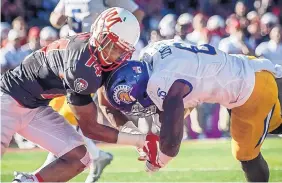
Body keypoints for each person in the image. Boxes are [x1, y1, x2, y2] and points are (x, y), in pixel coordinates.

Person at [1, 7, 156, 182]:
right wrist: (138, 140)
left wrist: (137, 136)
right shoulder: (81, 64)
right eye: (113, 47)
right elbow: (90, 128)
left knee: (80, 158)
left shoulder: (100, 55)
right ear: (100, 35)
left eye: (121, 51)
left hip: (35, 108)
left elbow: (107, 107)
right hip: (7, 100)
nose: (116, 56)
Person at [105, 40, 282, 181]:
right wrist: (154, 139)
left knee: (246, 157)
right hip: (248, 67)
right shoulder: (151, 55)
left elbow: (172, 144)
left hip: (250, 91)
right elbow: (185, 93)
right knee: (275, 126)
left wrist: (159, 160)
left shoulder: (163, 81)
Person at [49, 0, 144, 34]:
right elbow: (54, 17)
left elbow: (137, 13)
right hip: (73, 46)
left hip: (98, 48)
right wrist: (57, 19)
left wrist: (121, 30)